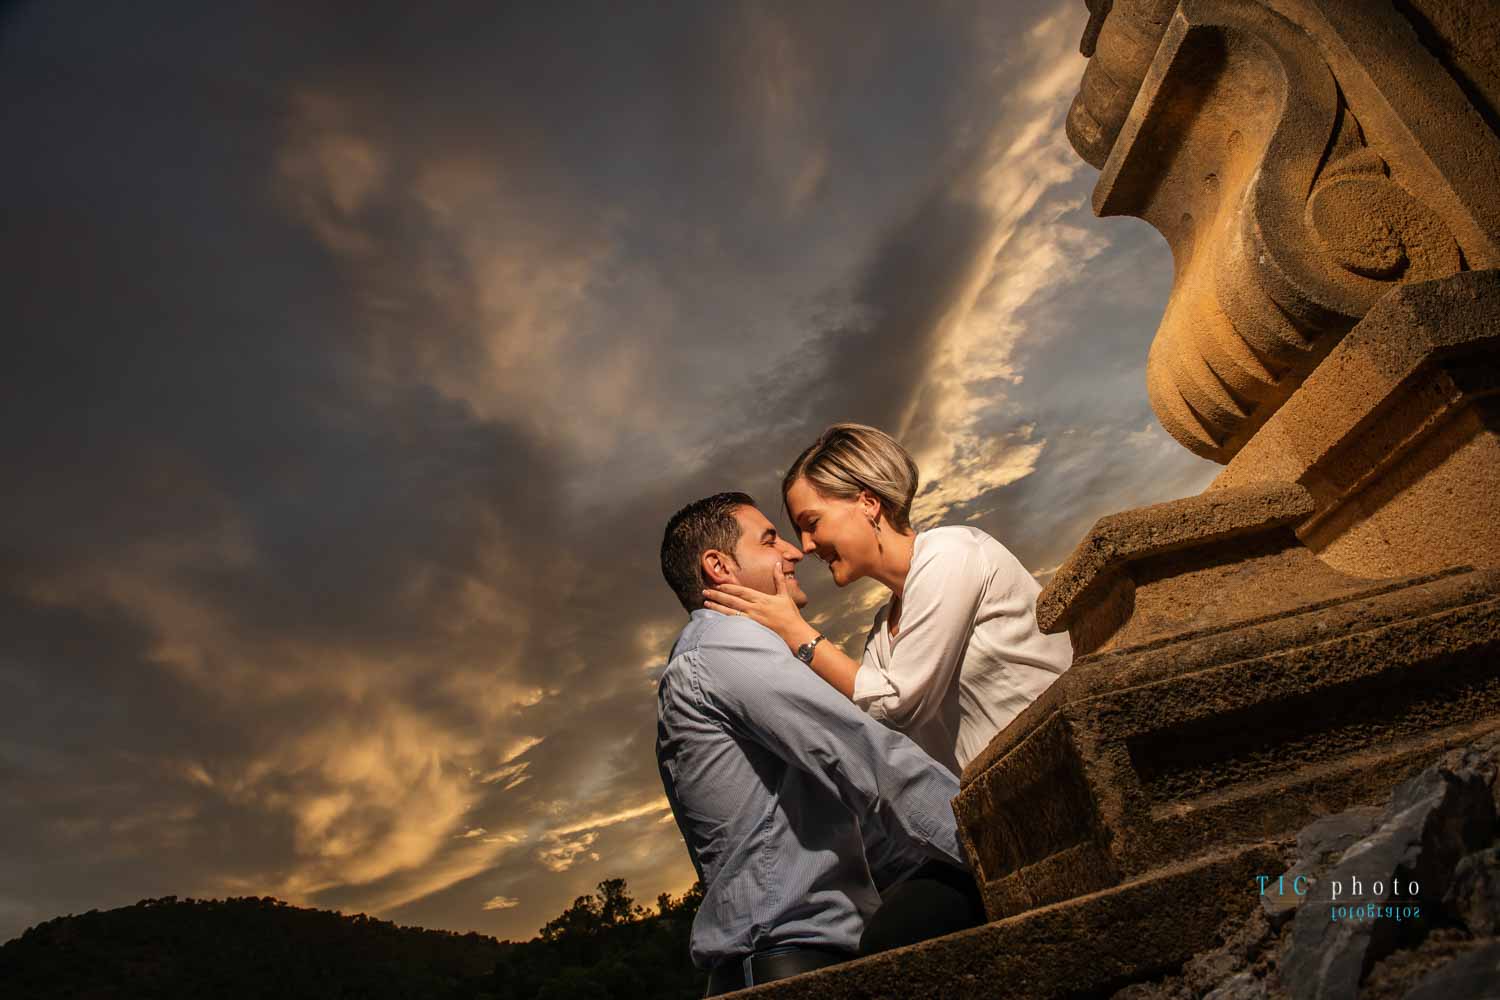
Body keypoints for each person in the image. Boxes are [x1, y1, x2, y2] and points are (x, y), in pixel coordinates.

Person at [656, 492, 979, 994]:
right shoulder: (722, 650)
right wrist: (995, 838)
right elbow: (871, 759)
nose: (794, 551)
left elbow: (860, 818)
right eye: (769, 540)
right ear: (719, 566)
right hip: (785, 968)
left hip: (818, 960)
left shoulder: (738, 655)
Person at [702, 422, 1073, 777]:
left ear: (867, 502)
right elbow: (874, 729)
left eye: (812, 523)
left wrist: (795, 631)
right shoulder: (881, 633)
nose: (806, 546)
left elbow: (897, 704)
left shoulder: (950, 553)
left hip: (1067, 762)